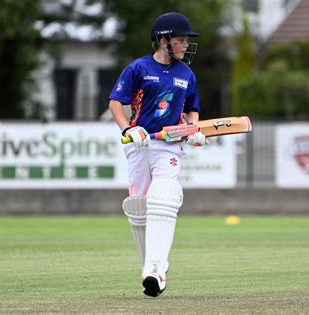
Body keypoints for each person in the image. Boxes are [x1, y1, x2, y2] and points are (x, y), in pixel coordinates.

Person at [108, 12, 205, 297]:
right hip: (139, 143)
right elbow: (116, 102)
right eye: (181, 40)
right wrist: (128, 129)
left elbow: (191, 110)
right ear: (163, 40)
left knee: (164, 197)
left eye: (186, 40)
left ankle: (157, 269)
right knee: (139, 206)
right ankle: (149, 271)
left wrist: (193, 130)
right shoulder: (138, 68)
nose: (185, 45)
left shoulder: (186, 74)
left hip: (169, 145)